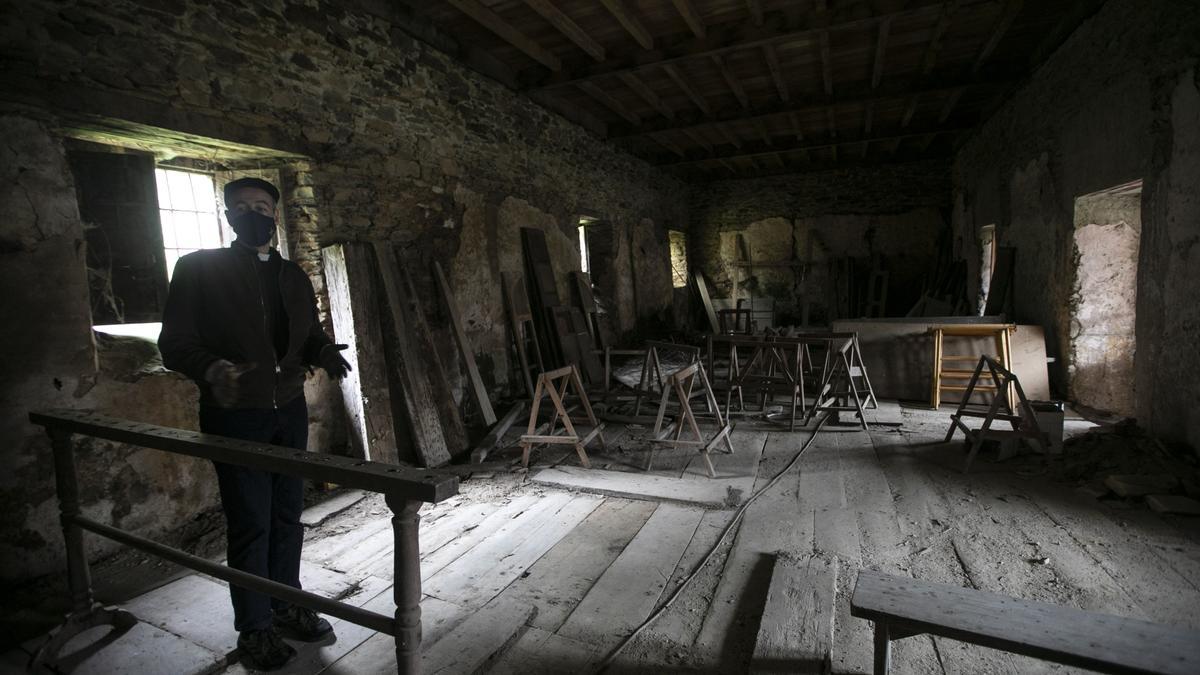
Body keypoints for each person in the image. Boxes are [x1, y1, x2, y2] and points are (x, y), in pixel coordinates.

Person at [158, 177, 351, 671]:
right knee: (250, 523)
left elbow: (306, 333)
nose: (252, 214)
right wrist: (211, 369)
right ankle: (255, 628)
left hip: (286, 409)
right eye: (241, 207)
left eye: (261, 206)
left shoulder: (292, 276)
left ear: (275, 215)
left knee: (288, 516)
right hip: (234, 415)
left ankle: (286, 602)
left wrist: (323, 351)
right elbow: (174, 343)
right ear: (228, 215)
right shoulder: (198, 269)